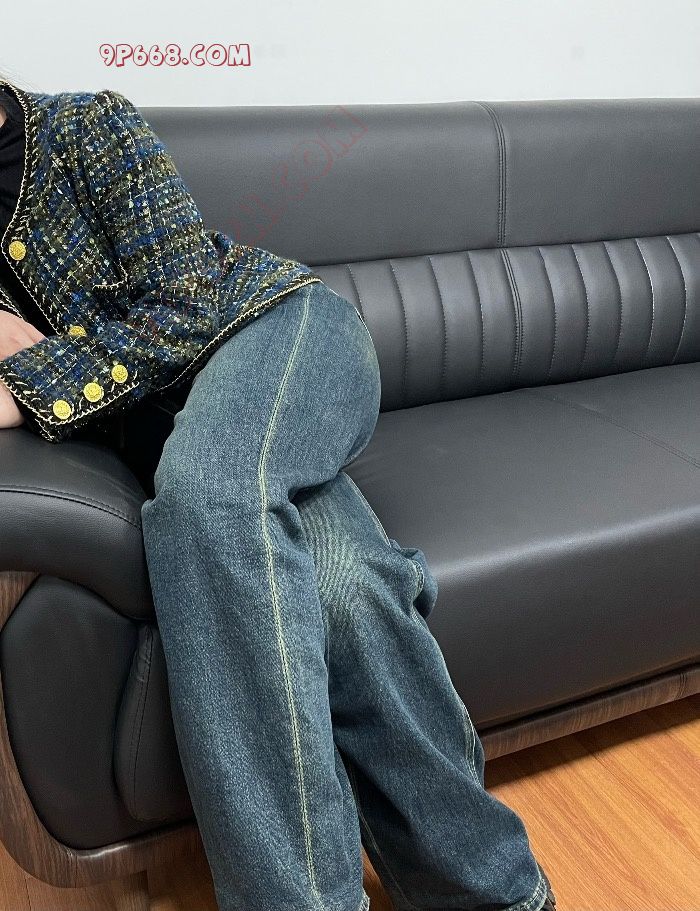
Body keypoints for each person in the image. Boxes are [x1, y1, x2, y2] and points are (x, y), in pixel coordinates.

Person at [0, 74, 557, 911]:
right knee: (349, 592)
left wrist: (32, 374)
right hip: (185, 435)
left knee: (209, 494)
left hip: (278, 333)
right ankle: (498, 892)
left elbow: (186, 301)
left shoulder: (85, 127)